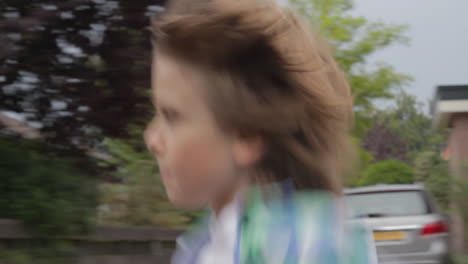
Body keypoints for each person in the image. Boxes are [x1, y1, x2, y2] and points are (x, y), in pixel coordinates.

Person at [144, 0, 375, 263]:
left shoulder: (301, 245)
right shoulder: (211, 241)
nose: (152, 139)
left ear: (245, 134)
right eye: (157, 113)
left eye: (172, 116)